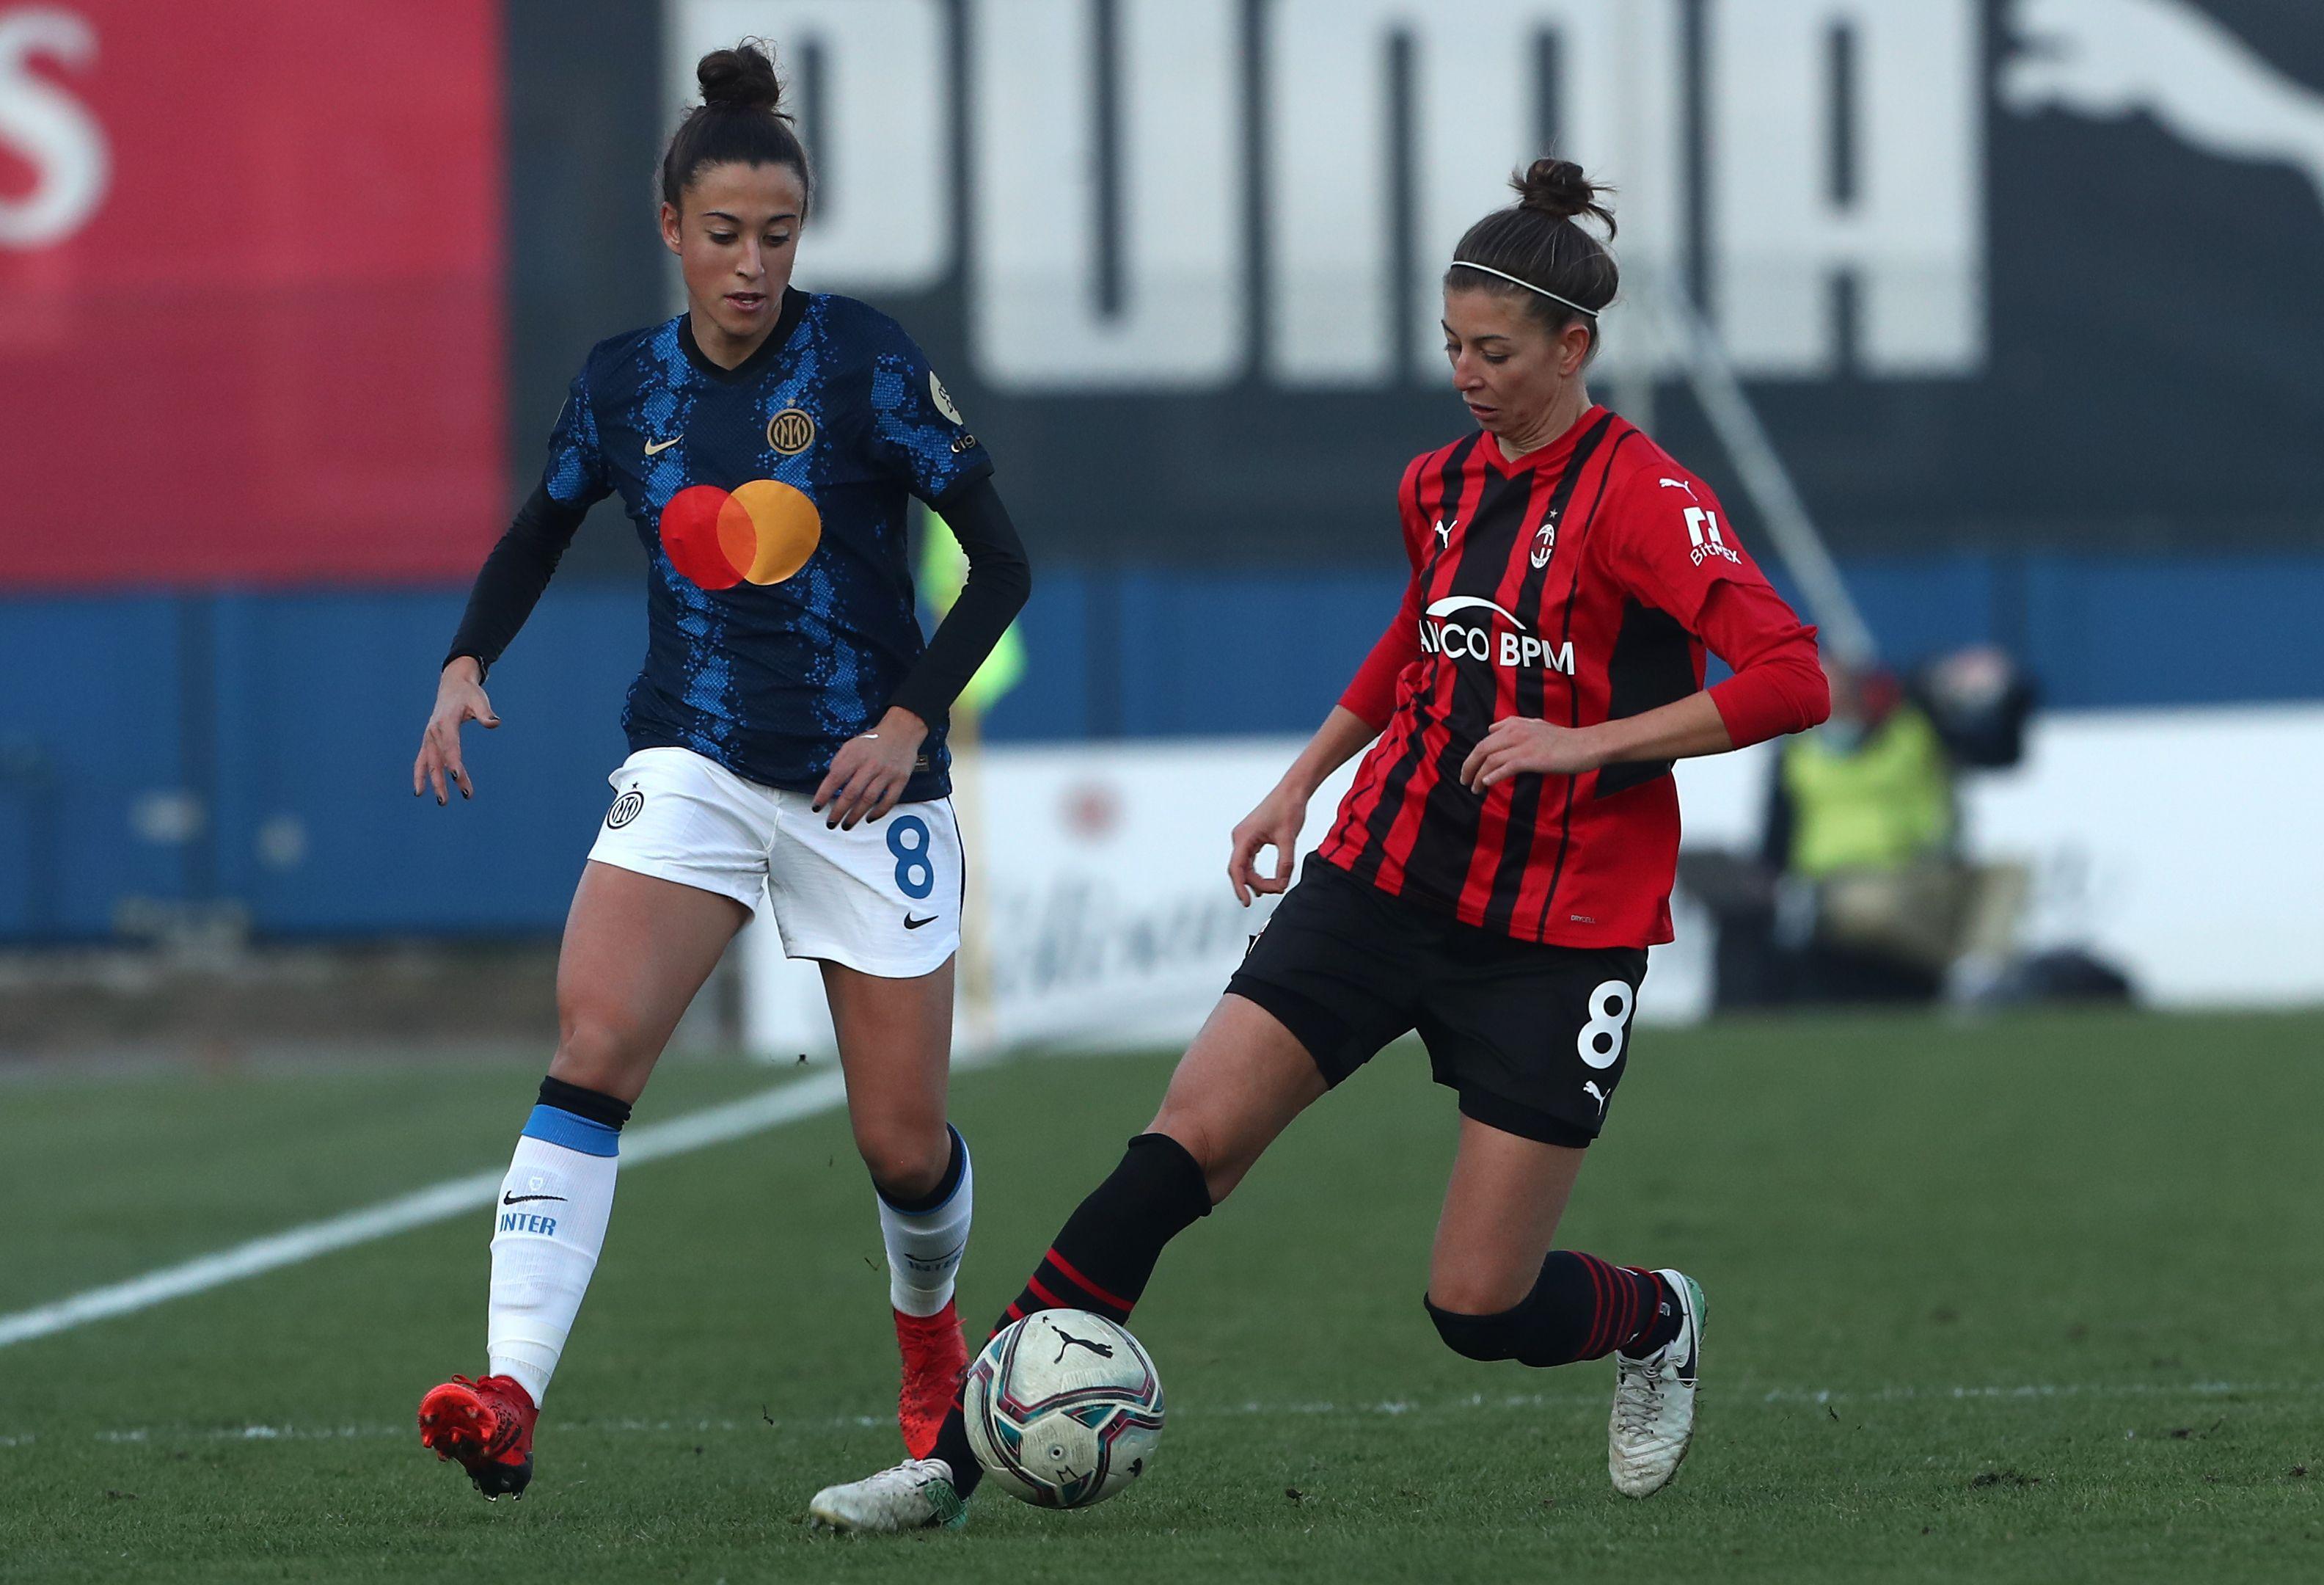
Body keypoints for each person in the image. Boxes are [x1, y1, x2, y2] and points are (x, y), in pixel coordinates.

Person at [806, 158, 1828, 1533]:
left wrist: (1587, 743)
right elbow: (1420, 632)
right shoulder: (1443, 484)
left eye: (1497, 352)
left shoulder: (1643, 497)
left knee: (1479, 1304)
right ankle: (950, 1463)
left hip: (1559, 929)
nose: (1467, 374)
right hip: (1384, 873)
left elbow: (1792, 675)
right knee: (1185, 1143)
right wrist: (1300, 782)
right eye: (1453, 345)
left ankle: (1654, 1318)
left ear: (1574, 348)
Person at [408, 40, 1031, 1500]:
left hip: (866, 793)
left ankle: (932, 1347)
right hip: (689, 763)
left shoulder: (868, 362)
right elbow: (536, 534)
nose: (752, 265)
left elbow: (1002, 566)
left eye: (779, 235)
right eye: (725, 234)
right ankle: (510, 1396)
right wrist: (461, 663)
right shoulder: (625, 383)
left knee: (899, 1143)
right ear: (670, 225)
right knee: (594, 1050)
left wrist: (901, 722)